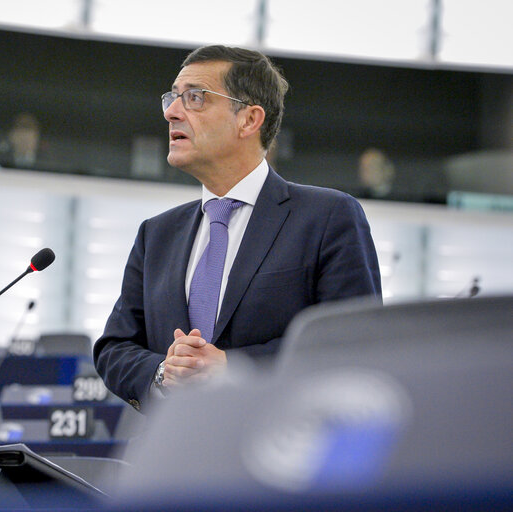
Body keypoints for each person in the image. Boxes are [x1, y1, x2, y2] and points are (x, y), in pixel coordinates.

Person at [93, 46, 381, 412]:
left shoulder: (328, 217)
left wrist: (233, 367)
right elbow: (115, 347)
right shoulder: (157, 234)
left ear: (248, 120)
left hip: (280, 451)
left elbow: (356, 345)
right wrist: (165, 372)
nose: (171, 112)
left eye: (195, 98)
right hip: (175, 454)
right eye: (172, 97)